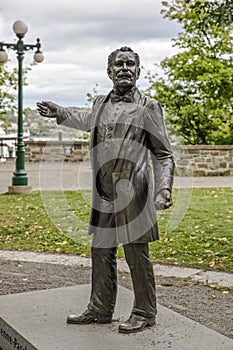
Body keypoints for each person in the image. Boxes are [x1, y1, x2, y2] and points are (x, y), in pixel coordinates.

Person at [37, 46, 175, 334]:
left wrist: (164, 189)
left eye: (130, 64)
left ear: (138, 71)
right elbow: (86, 119)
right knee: (100, 251)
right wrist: (59, 112)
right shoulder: (101, 103)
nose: (125, 68)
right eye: (119, 64)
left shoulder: (148, 107)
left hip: (134, 192)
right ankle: (100, 308)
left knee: (136, 254)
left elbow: (163, 154)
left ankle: (144, 311)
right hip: (103, 193)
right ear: (109, 71)